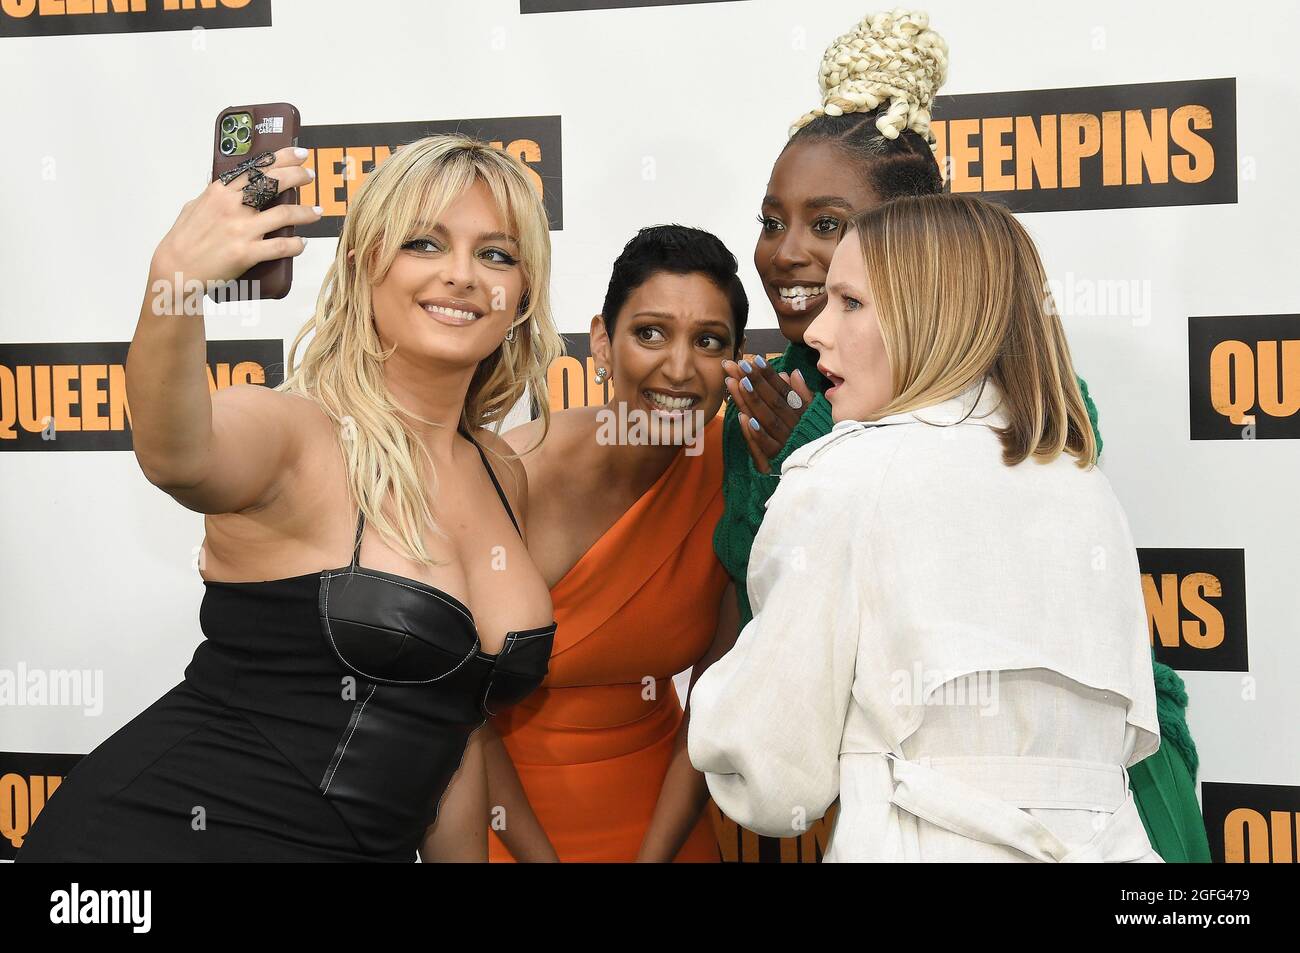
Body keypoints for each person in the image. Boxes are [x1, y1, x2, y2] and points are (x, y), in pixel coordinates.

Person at [712, 8, 1207, 862]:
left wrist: (818, 454)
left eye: (831, 229)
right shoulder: (769, 398)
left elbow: (770, 758)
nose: (792, 254)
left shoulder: (1034, 411)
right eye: (772, 219)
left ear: (921, 250)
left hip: (1123, 791)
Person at [16, 134, 563, 862]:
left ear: (523, 290)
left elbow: (454, 726)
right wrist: (174, 278)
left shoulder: (502, 469)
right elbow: (177, 452)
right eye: (424, 244)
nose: (462, 275)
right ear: (366, 261)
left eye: (497, 254)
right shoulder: (299, 432)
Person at [689, 192, 1165, 862]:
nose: (819, 330)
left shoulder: (844, 476)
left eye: (851, 302)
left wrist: (712, 704)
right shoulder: (1086, 488)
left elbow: (772, 775)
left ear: (933, 316)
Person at [482, 226, 746, 862]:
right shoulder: (508, 475)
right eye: (649, 333)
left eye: (708, 342)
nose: (679, 368)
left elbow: (711, 705)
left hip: (668, 817)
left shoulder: (734, 474)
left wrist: (654, 857)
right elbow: (459, 715)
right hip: (507, 823)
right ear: (602, 340)